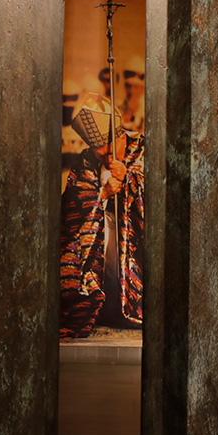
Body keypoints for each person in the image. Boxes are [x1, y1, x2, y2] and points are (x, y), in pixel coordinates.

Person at [60, 93, 144, 340]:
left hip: (135, 246)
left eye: (110, 153)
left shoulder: (144, 148)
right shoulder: (85, 162)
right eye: (101, 156)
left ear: (121, 137)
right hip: (104, 242)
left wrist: (129, 180)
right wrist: (103, 194)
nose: (107, 159)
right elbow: (73, 210)